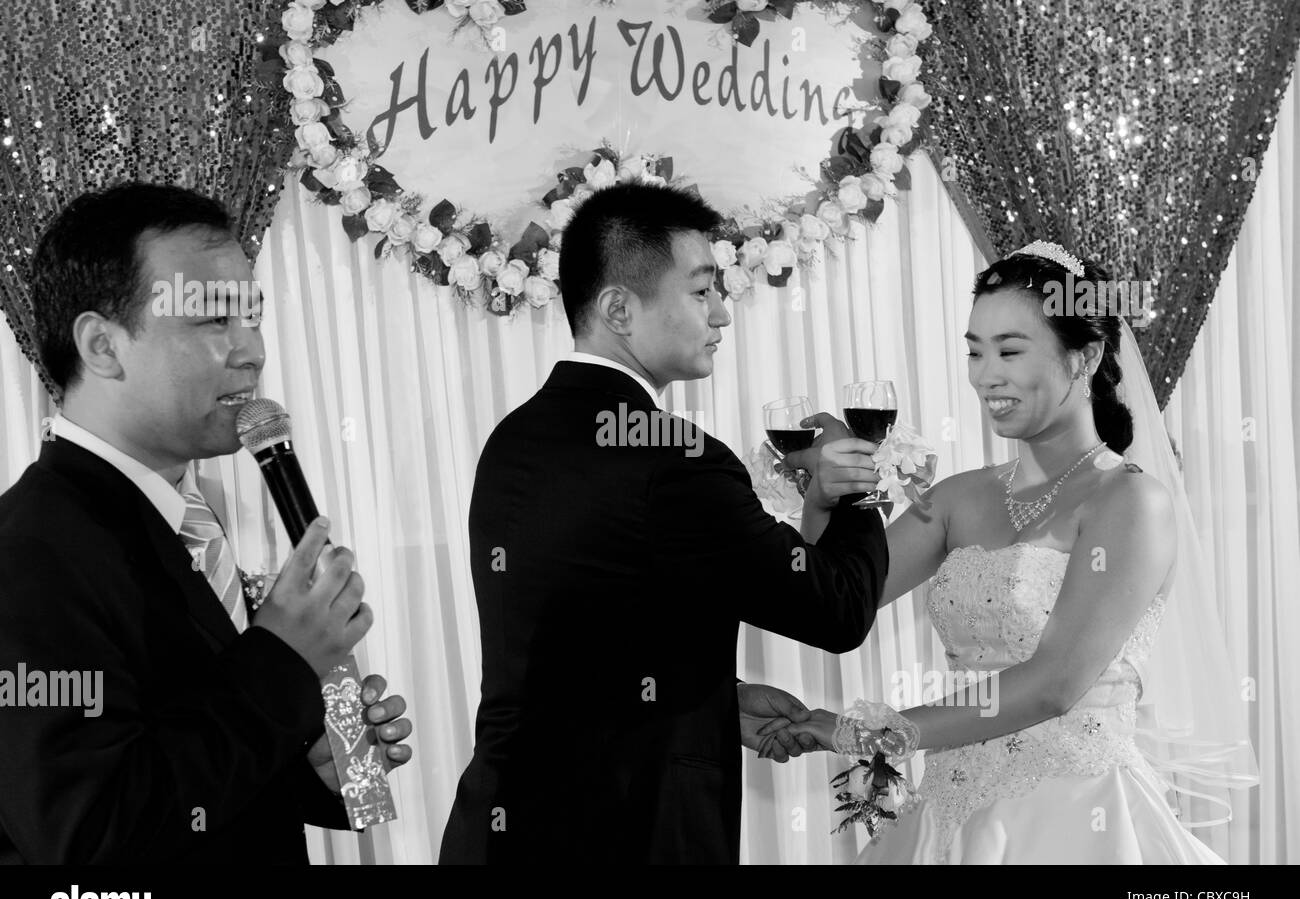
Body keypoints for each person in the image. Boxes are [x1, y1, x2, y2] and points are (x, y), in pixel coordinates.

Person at [438, 182, 891, 864]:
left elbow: (581, 634)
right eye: (702, 290)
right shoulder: (675, 459)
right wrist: (854, 480)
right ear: (620, 307)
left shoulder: (512, 440)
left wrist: (714, 701)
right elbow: (837, 608)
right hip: (631, 836)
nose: (722, 314)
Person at [770, 241, 1257, 864]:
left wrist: (867, 733)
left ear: (1084, 358)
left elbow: (1052, 685)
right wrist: (824, 498)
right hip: (950, 813)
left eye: (1009, 350)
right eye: (974, 351)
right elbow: (830, 599)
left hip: (1077, 818)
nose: (984, 375)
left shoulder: (1131, 503)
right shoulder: (959, 498)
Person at [0, 183, 413, 863]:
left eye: (252, 318)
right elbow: (88, 835)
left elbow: (192, 761)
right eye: (215, 320)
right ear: (103, 345)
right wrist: (280, 660)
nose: (250, 350)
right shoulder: (28, 553)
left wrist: (311, 764)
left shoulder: (186, 520)